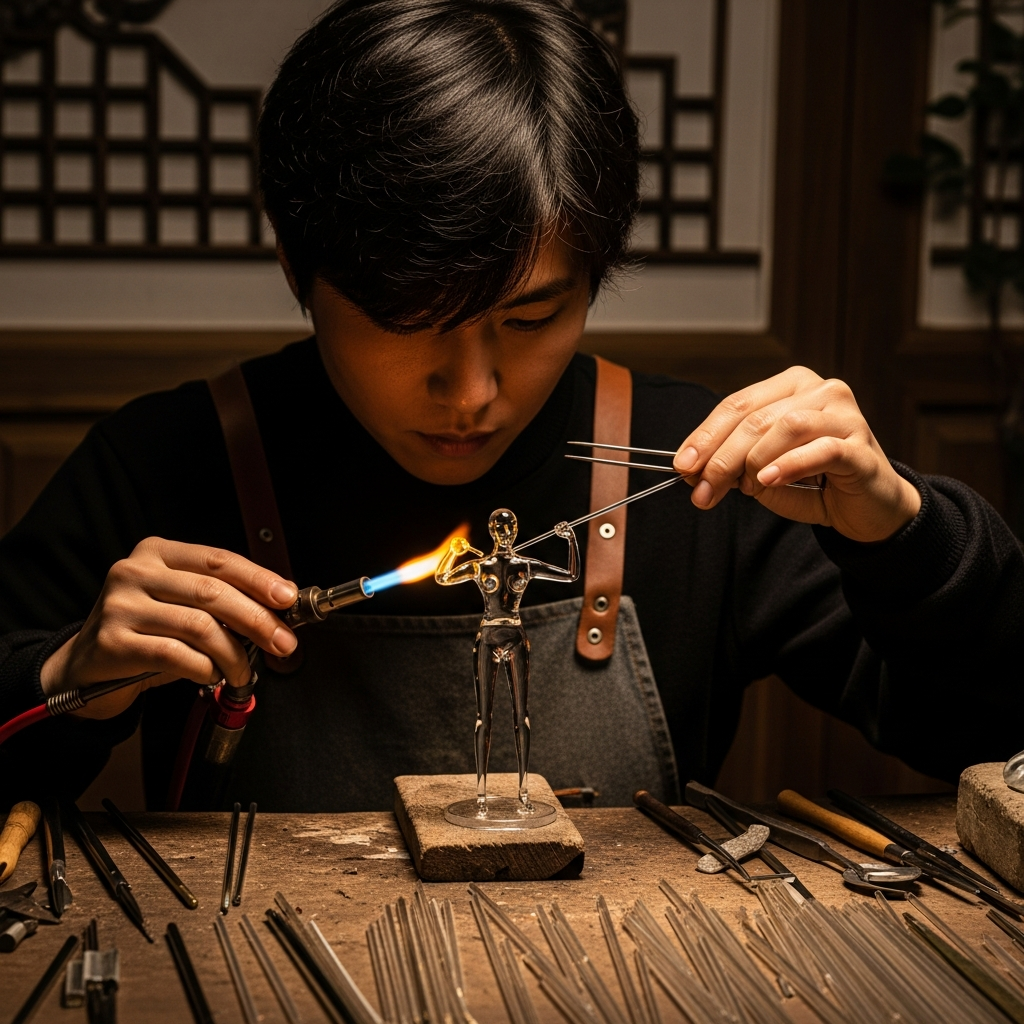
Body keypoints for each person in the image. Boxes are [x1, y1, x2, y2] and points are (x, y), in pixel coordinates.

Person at [0, 0, 1021, 812]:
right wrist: (66, 673)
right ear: (294, 267)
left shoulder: (700, 471)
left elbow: (984, 736)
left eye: (532, 317)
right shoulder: (170, 462)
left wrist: (906, 534)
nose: (475, 393)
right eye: (411, 323)